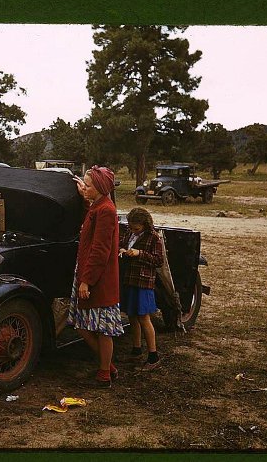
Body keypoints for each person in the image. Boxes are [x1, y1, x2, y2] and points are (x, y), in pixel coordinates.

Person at [68, 166, 124, 388]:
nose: (84, 187)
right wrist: (85, 197)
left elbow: (101, 250)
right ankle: (108, 366)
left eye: (88, 185)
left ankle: (104, 373)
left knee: (103, 329)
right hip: (88, 272)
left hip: (99, 278)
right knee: (82, 324)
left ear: (100, 188)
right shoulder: (99, 206)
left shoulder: (107, 211)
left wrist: (87, 280)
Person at [119, 207, 164, 371]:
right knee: (132, 314)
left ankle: (153, 356)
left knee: (144, 317)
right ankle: (136, 349)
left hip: (143, 283)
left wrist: (140, 254)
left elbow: (159, 260)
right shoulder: (129, 233)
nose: (133, 230)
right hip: (129, 279)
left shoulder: (154, 237)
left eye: (136, 228)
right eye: (131, 227)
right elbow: (122, 244)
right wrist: (122, 250)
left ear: (145, 224)